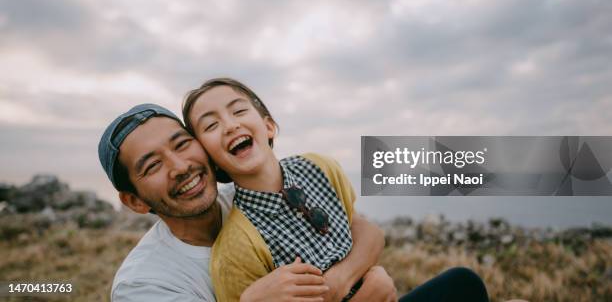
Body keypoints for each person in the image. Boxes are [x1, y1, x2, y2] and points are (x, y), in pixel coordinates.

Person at [181, 78, 491, 302]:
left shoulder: (319, 167)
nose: (230, 125)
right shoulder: (236, 249)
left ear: (269, 126)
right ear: (209, 159)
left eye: (238, 111)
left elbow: (365, 231)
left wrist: (342, 281)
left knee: (464, 281)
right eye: (211, 126)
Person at [98, 103, 395, 301]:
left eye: (182, 144)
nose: (180, 167)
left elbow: (362, 228)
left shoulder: (247, 195)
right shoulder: (144, 284)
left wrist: (342, 281)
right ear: (134, 201)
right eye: (152, 166)